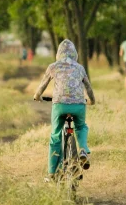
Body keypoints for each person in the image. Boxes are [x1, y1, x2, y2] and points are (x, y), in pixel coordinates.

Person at [33, 39, 96, 180]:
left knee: (55, 135)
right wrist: (92, 100)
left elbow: (42, 86)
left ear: (58, 54)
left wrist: (37, 96)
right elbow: (89, 88)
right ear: (75, 54)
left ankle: (51, 173)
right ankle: (83, 150)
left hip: (59, 105)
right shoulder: (80, 68)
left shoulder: (53, 67)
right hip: (79, 105)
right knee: (81, 127)